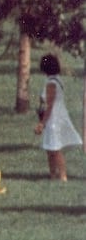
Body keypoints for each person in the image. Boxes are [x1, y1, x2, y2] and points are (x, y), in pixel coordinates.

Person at [35, 53, 81, 181]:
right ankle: (53, 175)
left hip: (53, 118)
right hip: (59, 114)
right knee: (50, 148)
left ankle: (62, 175)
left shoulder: (51, 83)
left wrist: (42, 123)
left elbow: (49, 106)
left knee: (54, 149)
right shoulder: (57, 79)